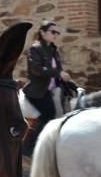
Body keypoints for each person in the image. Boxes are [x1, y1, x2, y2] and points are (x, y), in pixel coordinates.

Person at [22, 20, 71, 157]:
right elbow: (36, 69)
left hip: (50, 91)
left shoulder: (52, 49)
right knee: (47, 116)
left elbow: (57, 69)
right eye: (52, 32)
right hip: (37, 92)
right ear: (42, 32)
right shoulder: (35, 48)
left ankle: (44, 147)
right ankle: (28, 149)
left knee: (56, 116)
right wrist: (58, 73)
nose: (55, 34)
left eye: (57, 32)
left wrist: (63, 77)